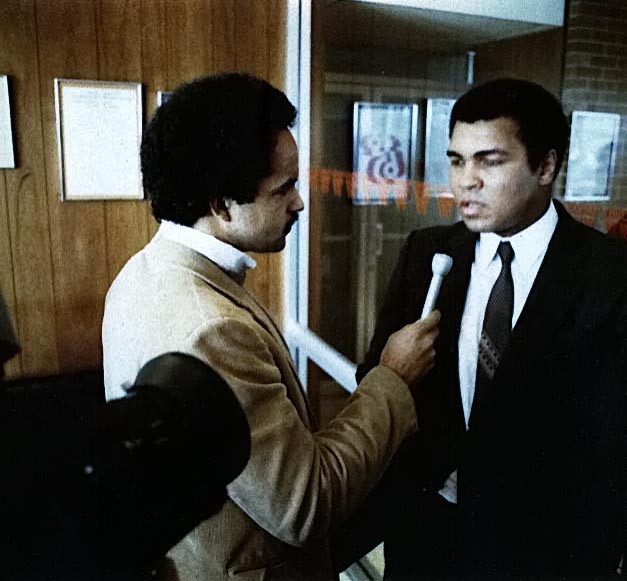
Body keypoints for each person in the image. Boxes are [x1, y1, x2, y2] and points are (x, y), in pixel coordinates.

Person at [102, 73, 440, 581]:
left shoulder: (143, 271)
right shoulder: (209, 328)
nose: (300, 203)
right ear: (221, 205)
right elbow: (305, 504)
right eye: (284, 188)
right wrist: (392, 378)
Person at [356, 78, 626, 579]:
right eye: (457, 160)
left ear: (545, 166)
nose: (464, 182)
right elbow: (375, 373)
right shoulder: (426, 252)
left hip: (545, 553)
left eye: (490, 161)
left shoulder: (609, 273)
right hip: (427, 540)